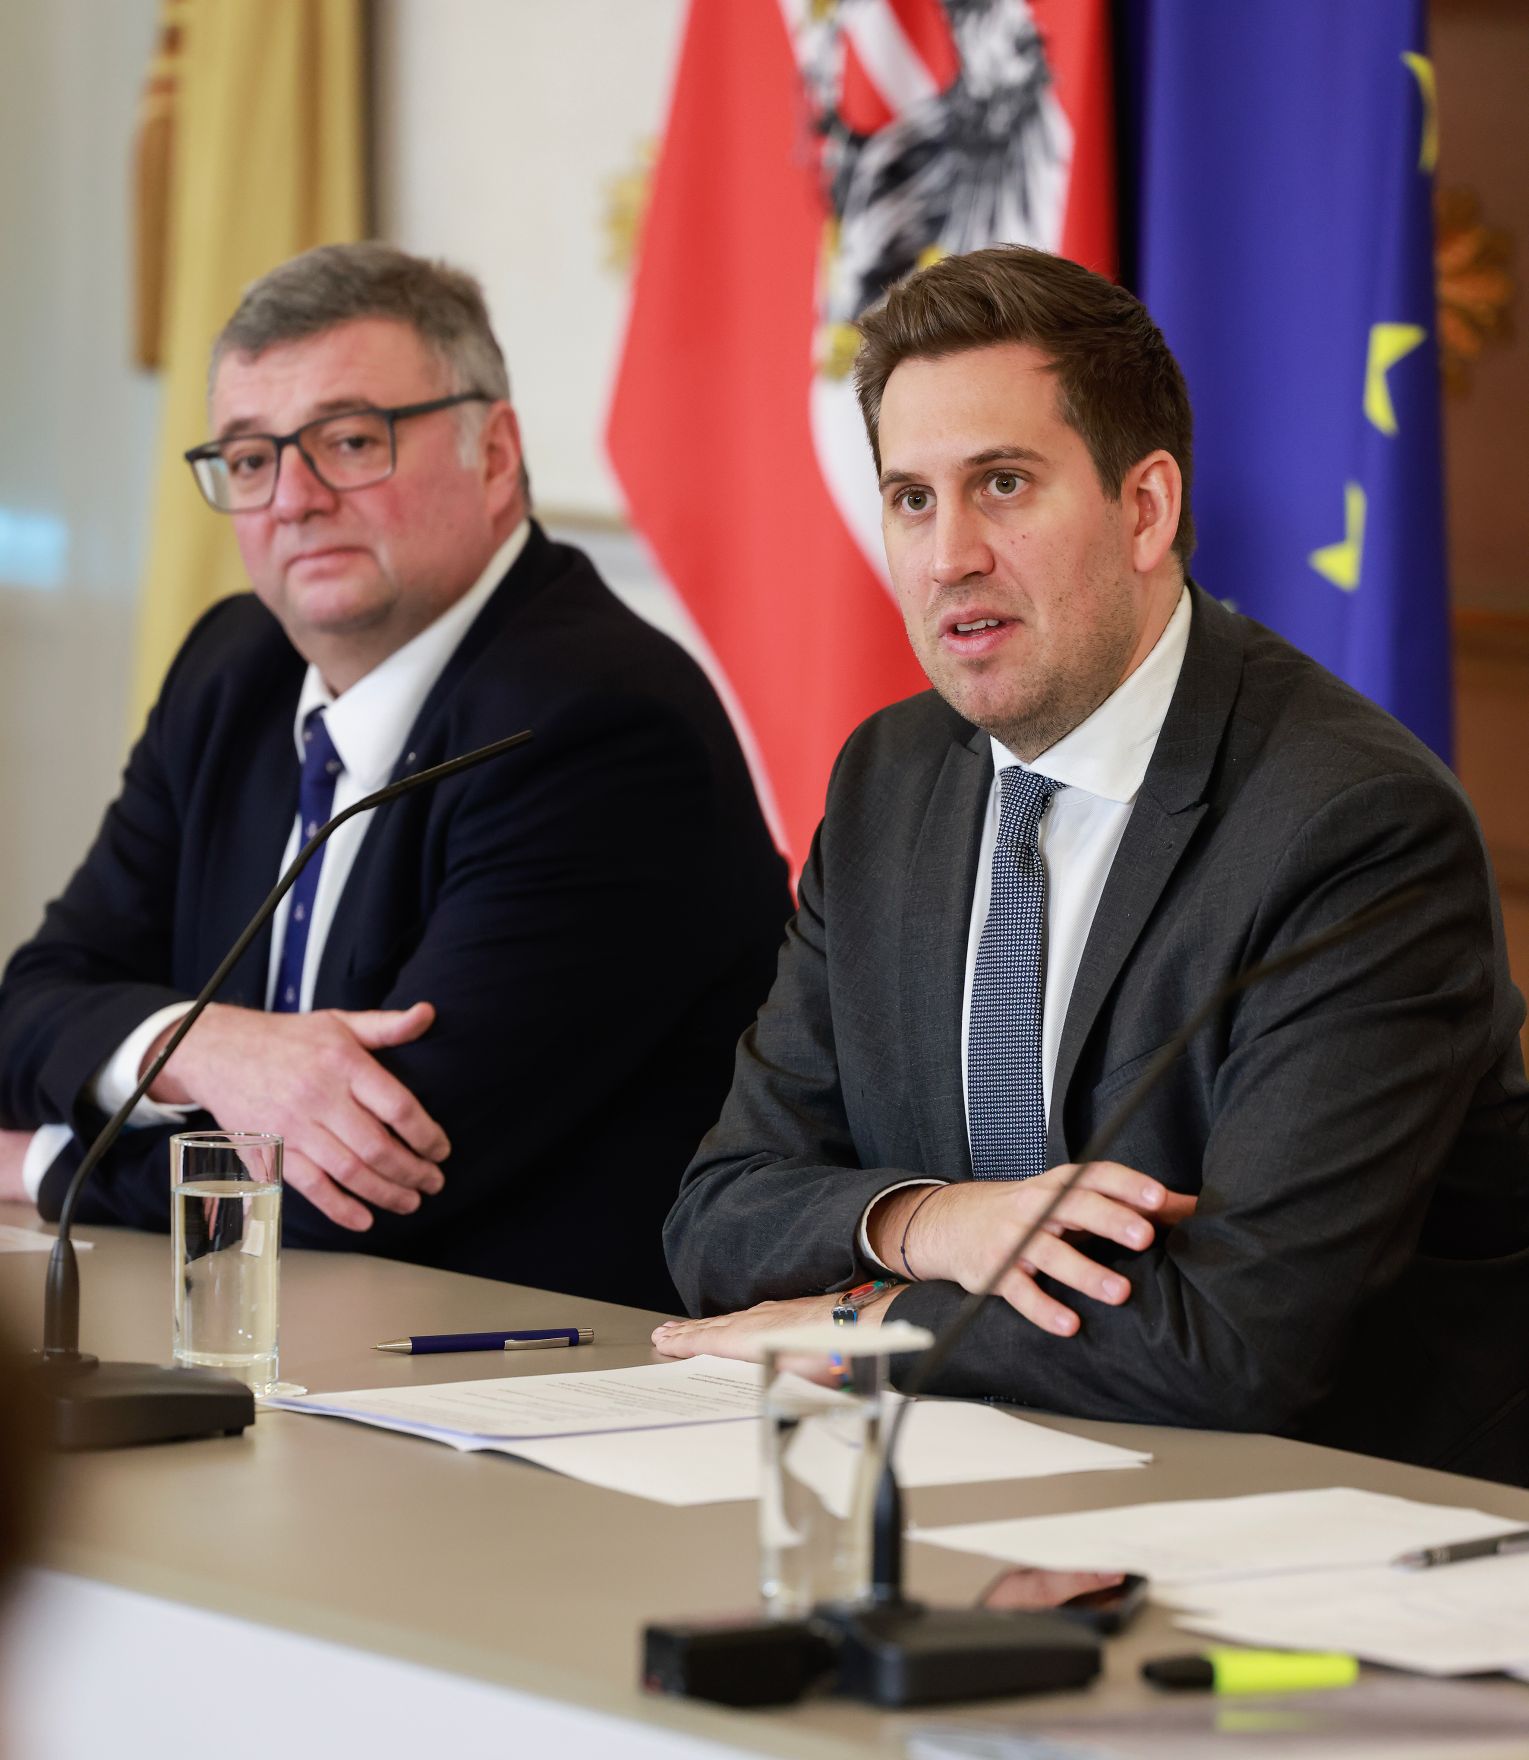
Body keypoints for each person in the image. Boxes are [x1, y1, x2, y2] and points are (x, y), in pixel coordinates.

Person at [655, 245, 1529, 1481]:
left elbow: (1233, 1343)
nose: (947, 553)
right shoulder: (888, 780)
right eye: (910, 498)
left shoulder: (1351, 824)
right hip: (970, 1484)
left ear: (1145, 508)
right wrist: (931, 1221)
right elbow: (722, 1210)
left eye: (1001, 483)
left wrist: (863, 1319)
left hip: (1322, 1529)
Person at [0, 243, 790, 1312]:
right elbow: (34, 1003)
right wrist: (206, 1048)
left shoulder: (598, 721)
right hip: (270, 1338)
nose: (293, 497)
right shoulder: (233, 669)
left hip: (524, 1388)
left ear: (496, 452)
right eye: (248, 459)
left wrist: (42, 1165)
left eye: (349, 441)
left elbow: (365, 1179)